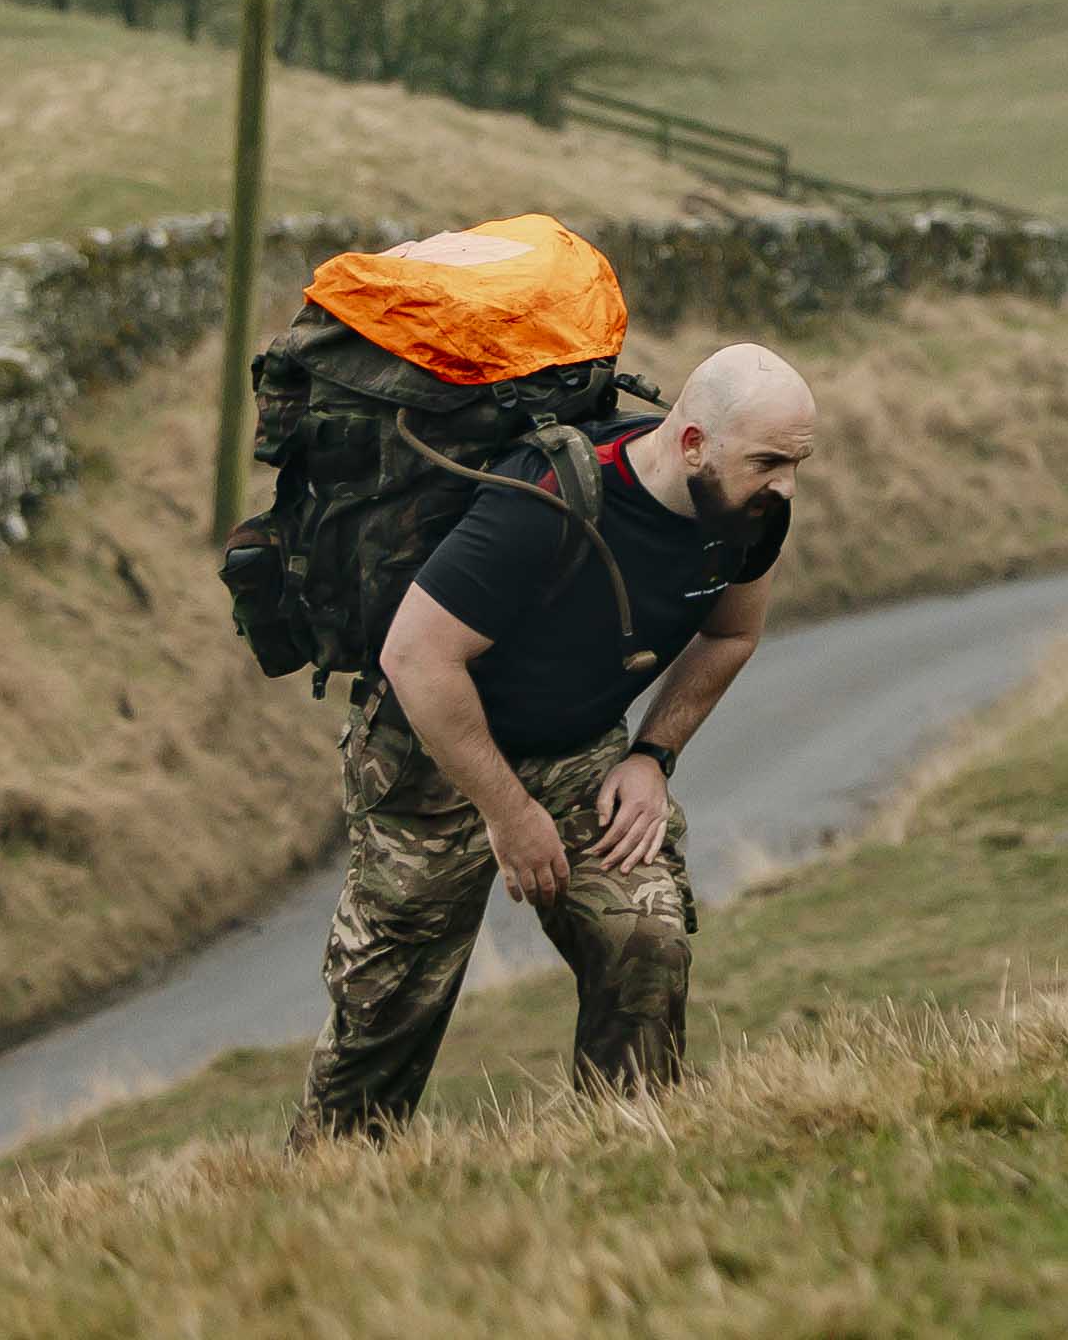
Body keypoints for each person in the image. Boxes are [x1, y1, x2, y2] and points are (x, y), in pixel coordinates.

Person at [305, 337, 822, 1138]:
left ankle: (627, 1152)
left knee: (646, 941)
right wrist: (509, 816)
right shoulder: (542, 501)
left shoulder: (750, 516)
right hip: (430, 764)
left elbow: (731, 636)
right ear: (693, 444)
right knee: (388, 1017)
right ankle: (324, 1202)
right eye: (768, 462)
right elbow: (415, 657)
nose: (785, 486)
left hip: (579, 755)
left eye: (796, 463)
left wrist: (651, 757)